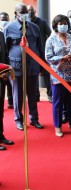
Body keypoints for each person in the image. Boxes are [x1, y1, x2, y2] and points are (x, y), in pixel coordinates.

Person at [4, 3, 44, 131]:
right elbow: (5, 50)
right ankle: (19, 120)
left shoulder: (34, 27)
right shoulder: (9, 28)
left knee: (33, 95)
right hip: (16, 68)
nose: (25, 14)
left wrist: (42, 66)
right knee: (18, 96)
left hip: (33, 67)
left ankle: (34, 119)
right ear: (16, 14)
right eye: (22, 12)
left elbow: (40, 47)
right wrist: (5, 69)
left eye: (26, 12)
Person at [45, 14, 71, 137]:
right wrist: (62, 58)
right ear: (56, 26)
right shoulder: (51, 40)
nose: (63, 25)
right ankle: (57, 126)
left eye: (65, 23)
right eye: (60, 23)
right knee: (58, 103)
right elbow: (48, 57)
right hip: (58, 77)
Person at [27, 5, 52, 103]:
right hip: (31, 54)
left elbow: (50, 35)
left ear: (35, 11)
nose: (30, 12)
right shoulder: (26, 23)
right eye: (28, 10)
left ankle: (50, 95)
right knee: (33, 75)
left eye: (31, 10)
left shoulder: (42, 22)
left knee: (47, 75)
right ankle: (35, 95)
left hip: (42, 52)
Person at [0, 31, 14, 151]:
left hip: (1, 77)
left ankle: (0, 135)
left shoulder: (0, 34)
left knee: (0, 109)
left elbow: (4, 54)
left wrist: (6, 71)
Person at [0, 12, 13, 109]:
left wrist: (5, 68)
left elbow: (4, 51)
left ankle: (10, 101)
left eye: (6, 19)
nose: (4, 22)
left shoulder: (1, 34)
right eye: (2, 19)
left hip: (3, 68)